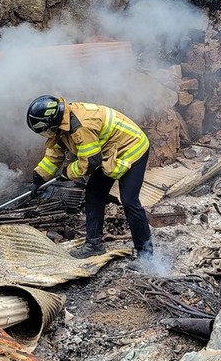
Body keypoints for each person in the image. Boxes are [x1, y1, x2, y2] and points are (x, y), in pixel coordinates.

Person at [26, 94, 154, 269]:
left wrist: (67, 172)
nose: (45, 134)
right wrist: (38, 177)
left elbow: (90, 161)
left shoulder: (81, 126)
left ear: (51, 121)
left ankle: (146, 257)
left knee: (129, 200)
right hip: (110, 152)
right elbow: (54, 155)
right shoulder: (61, 124)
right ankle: (94, 245)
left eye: (44, 129)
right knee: (94, 193)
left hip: (132, 148)